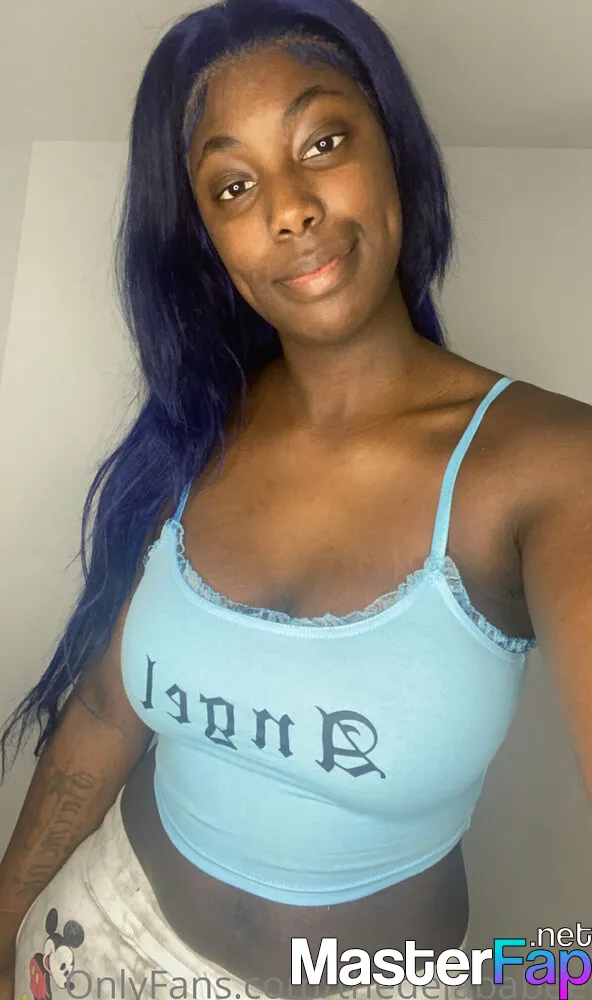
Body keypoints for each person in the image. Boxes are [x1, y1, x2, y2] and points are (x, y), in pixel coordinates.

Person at [1, 0, 591, 998]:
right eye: (233, 185)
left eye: (322, 141)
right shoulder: (197, 428)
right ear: (209, 240)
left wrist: (531, 973)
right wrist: (5, 914)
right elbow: (104, 708)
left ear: (394, 150)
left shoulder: (548, 464)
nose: (289, 209)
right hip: (92, 938)